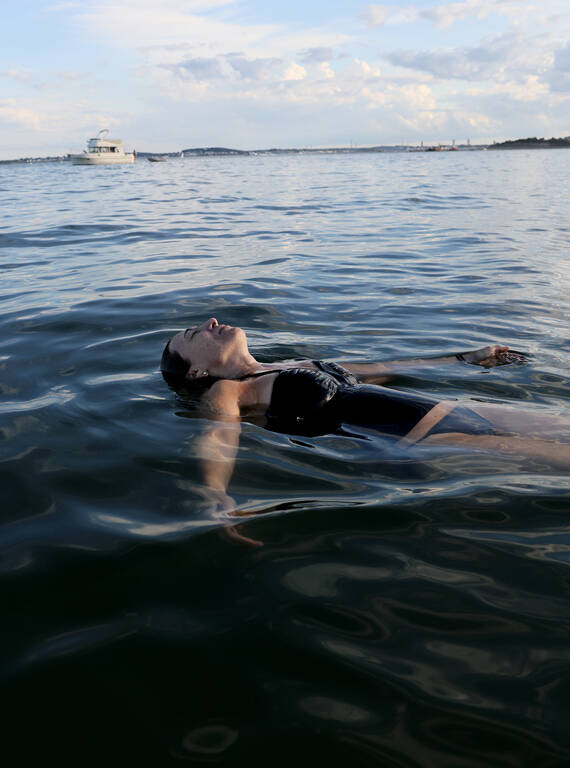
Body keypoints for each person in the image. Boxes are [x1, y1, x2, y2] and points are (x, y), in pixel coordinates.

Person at [161, 318, 569, 543]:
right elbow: (219, 436)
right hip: (414, 439)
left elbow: (381, 370)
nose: (210, 322)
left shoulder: (293, 362)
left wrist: (466, 358)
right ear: (198, 370)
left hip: (453, 411)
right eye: (194, 334)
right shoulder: (229, 390)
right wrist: (216, 494)